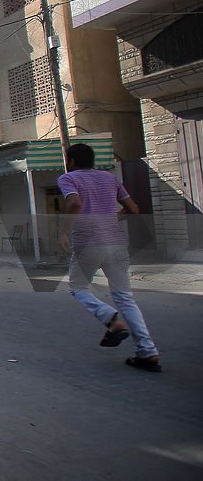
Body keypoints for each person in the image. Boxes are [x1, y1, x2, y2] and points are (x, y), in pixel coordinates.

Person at [59, 143, 161, 372]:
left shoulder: (69, 179)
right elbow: (133, 209)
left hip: (88, 244)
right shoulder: (109, 178)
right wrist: (112, 218)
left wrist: (64, 231)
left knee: (78, 287)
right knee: (125, 297)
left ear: (72, 161)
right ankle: (148, 352)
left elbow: (74, 203)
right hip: (115, 244)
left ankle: (110, 319)